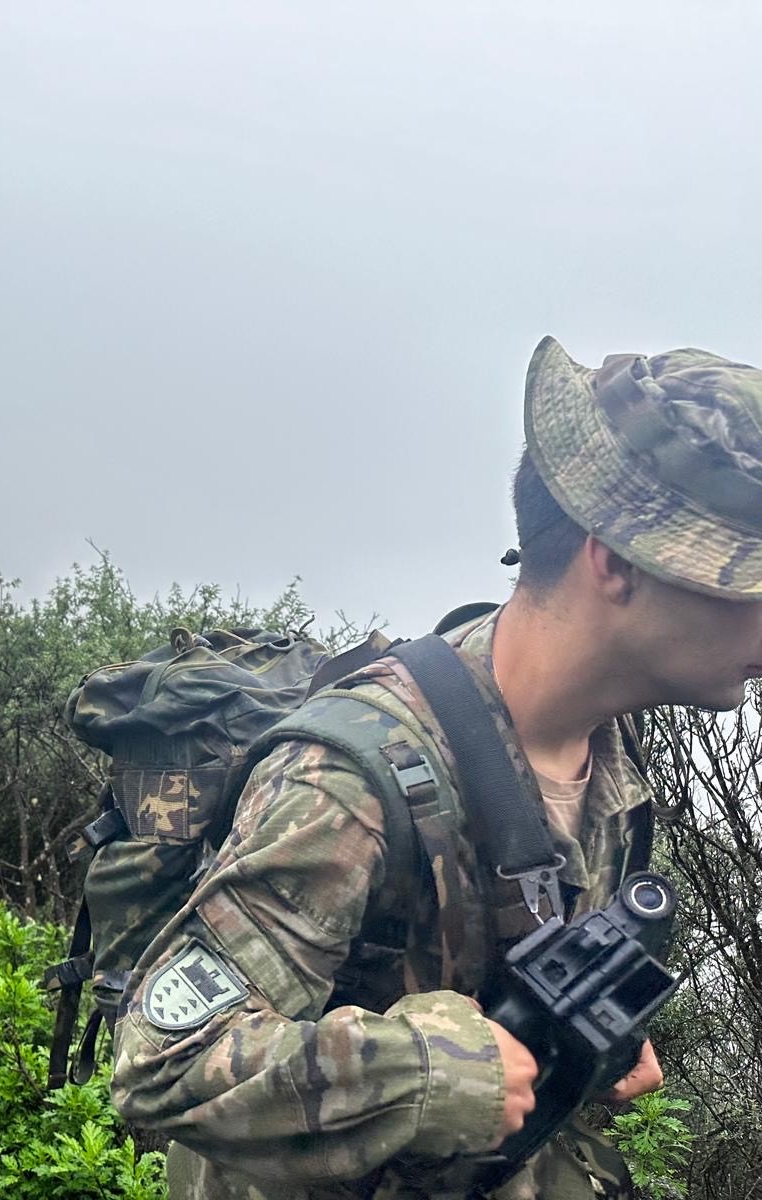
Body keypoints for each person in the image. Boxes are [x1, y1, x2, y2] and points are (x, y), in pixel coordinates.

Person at [110, 336, 762, 1199]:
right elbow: (162, 1062)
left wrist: (579, 1034)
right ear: (616, 559)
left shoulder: (607, 747)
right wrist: (430, 1075)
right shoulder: (346, 784)